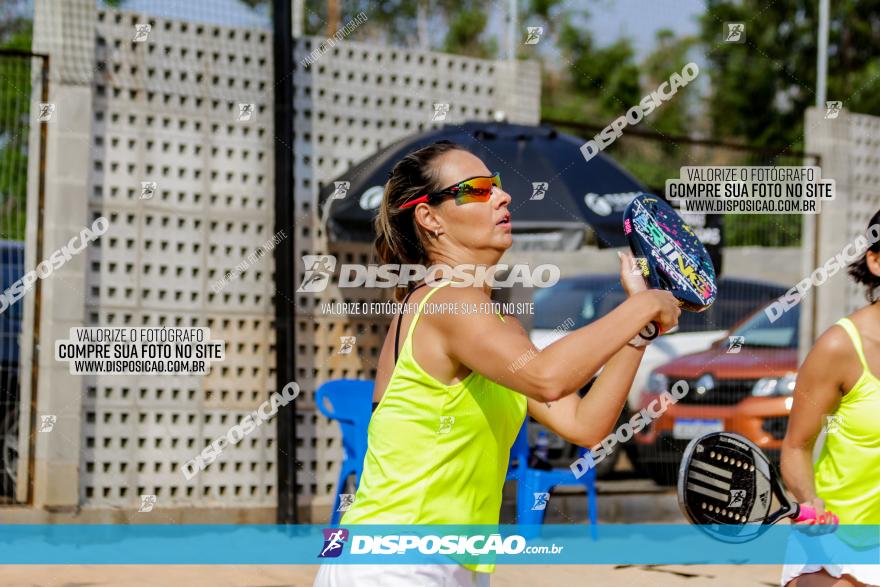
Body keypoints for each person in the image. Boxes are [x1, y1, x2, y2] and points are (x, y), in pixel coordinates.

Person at [313, 141, 680, 587]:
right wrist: (640, 308)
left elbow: (585, 424)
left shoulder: (496, 323)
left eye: (497, 186)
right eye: (477, 189)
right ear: (429, 218)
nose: (502, 196)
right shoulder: (446, 303)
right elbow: (548, 378)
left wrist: (639, 331)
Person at [781, 211, 880, 587]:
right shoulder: (840, 346)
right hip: (840, 548)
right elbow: (795, 446)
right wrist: (809, 500)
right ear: (875, 260)